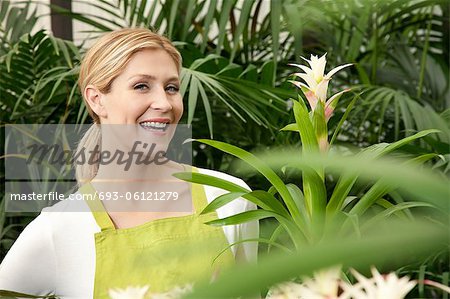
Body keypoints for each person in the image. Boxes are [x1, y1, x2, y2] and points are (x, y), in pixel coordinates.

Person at [0, 28, 258, 298]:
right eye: (141, 86)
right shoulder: (60, 229)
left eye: (171, 88)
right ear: (97, 99)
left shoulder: (229, 198)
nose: (164, 103)